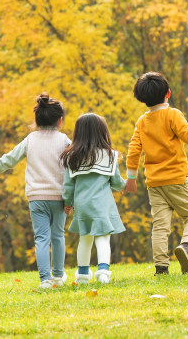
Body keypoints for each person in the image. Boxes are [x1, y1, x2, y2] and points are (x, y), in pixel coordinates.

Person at [123, 72, 188, 275]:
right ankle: (186, 246)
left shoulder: (142, 122)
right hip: (176, 179)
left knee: (160, 226)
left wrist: (131, 178)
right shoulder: (173, 114)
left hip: (155, 184)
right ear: (168, 93)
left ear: (141, 99)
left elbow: (133, 151)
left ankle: (161, 268)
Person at [0, 93, 70, 289]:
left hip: (36, 198)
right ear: (60, 121)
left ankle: (45, 280)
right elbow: (73, 170)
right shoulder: (64, 141)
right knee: (58, 236)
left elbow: (7, 160)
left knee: (41, 238)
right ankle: (58, 277)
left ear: (37, 119)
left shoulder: (30, 140)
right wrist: (71, 198)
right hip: (59, 197)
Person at [61, 113, 127, 284]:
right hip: (102, 205)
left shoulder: (72, 157)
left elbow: (69, 185)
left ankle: (82, 275)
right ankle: (103, 272)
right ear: (101, 132)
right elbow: (116, 182)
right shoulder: (109, 156)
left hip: (82, 205)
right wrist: (125, 186)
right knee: (103, 238)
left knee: (85, 239)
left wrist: (68, 203)